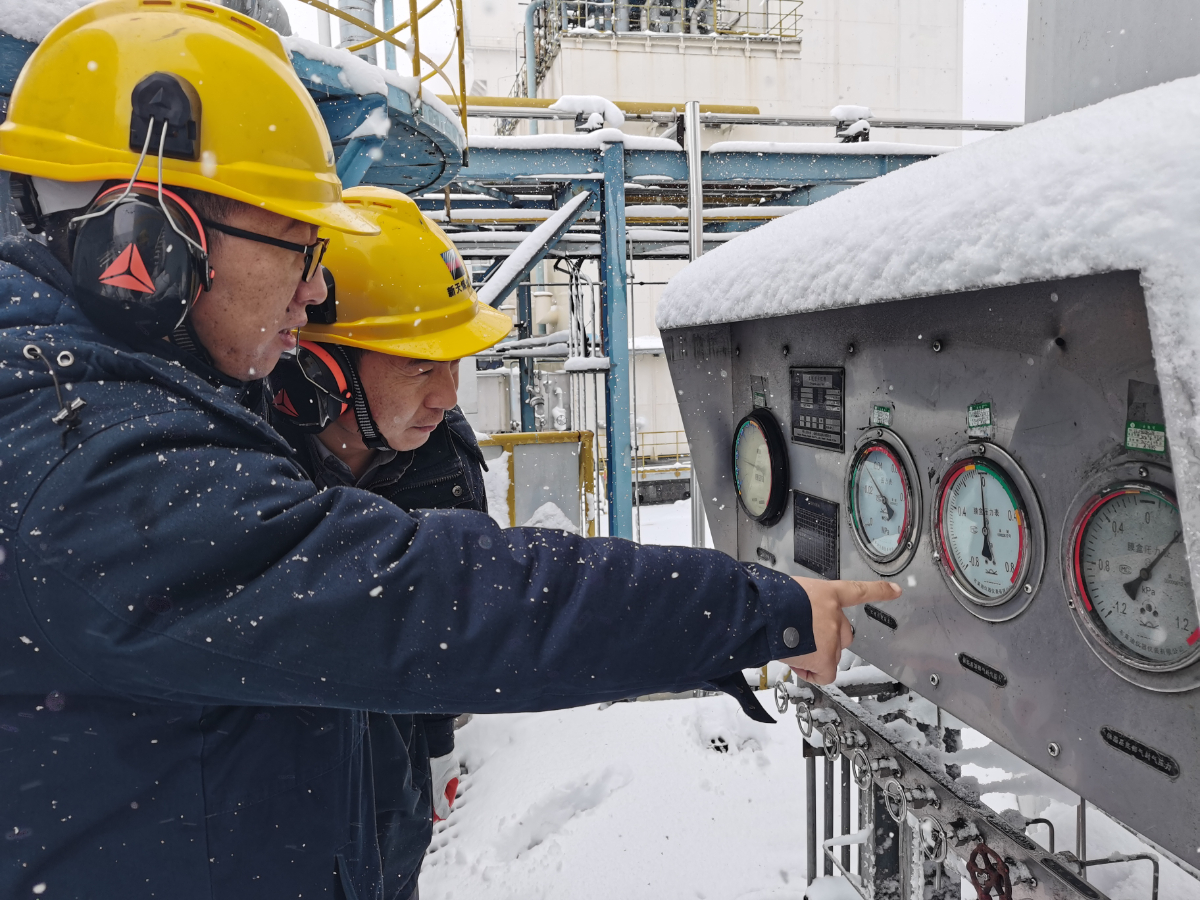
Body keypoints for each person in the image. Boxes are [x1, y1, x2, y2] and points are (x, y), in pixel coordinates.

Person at [0, 3, 899, 897]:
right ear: (154, 238)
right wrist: (750, 608)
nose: (312, 292)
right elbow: (432, 600)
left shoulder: (110, 407)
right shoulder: (80, 456)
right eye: (298, 245)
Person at [268, 186, 511, 900]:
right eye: (419, 365)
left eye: (455, 363)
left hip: (388, 821)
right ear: (319, 371)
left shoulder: (440, 457)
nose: (448, 395)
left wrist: (435, 743)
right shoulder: (244, 477)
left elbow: (449, 621)